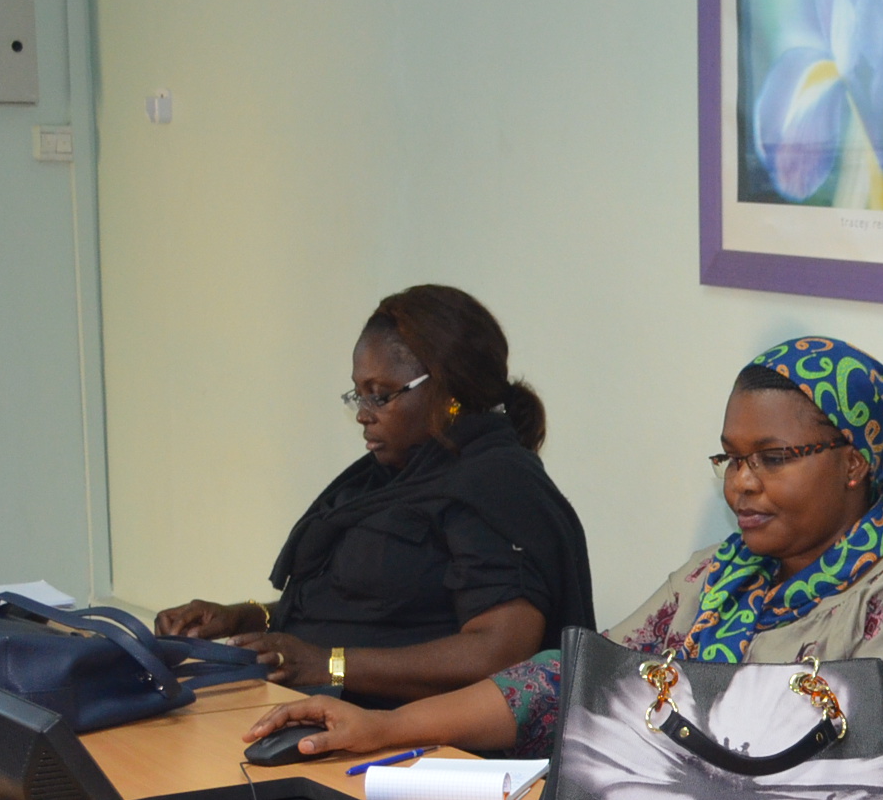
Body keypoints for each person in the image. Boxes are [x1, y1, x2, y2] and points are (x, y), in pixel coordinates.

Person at [244, 337, 883, 800]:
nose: (743, 484)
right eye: (731, 459)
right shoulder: (720, 576)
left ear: (856, 462)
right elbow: (575, 679)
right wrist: (385, 728)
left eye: (773, 458)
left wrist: (638, 773)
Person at [155, 284, 595, 705]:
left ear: (449, 393)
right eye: (358, 394)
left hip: (426, 750)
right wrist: (244, 618)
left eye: (380, 396)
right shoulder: (396, 474)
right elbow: (358, 611)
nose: (363, 415)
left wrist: (332, 666)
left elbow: (499, 654)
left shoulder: (494, 486)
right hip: (327, 710)